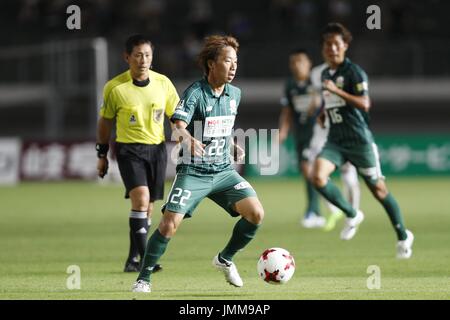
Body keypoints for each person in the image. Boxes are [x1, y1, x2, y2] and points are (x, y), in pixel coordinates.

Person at [132, 35, 264, 293]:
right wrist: (188, 139)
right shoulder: (195, 93)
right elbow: (177, 125)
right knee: (169, 224)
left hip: (224, 171)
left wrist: (231, 145)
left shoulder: (235, 94)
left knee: (256, 213)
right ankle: (143, 278)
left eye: (236, 61)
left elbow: (222, 128)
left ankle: (225, 259)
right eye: (228, 61)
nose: (234, 66)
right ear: (212, 64)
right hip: (194, 172)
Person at [311, 23, 414, 258]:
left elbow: (365, 103)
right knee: (317, 176)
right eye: (328, 45)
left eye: (337, 44)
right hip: (335, 140)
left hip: (359, 141)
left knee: (379, 190)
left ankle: (403, 235)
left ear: (345, 46)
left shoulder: (354, 72)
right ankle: (351, 213)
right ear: (323, 49)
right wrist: (323, 113)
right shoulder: (326, 74)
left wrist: (336, 92)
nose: (332, 48)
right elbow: (330, 101)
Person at [96, 34, 180, 273]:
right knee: (141, 200)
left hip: (157, 149)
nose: (143, 60)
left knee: (148, 208)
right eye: (138, 55)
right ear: (127, 57)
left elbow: (177, 117)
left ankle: (132, 258)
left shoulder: (163, 83)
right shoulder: (115, 87)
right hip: (128, 149)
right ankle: (147, 260)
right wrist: (101, 154)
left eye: (147, 55)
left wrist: (184, 137)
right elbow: (105, 123)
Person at [309, 61, 361, 232]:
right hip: (322, 132)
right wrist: (316, 109)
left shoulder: (351, 71)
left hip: (342, 131)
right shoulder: (317, 72)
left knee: (349, 176)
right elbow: (316, 99)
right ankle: (335, 209)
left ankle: (352, 217)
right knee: (315, 173)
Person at [278, 49, 326, 229]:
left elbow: (325, 103)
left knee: (308, 169)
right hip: (300, 133)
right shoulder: (290, 85)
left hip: (315, 133)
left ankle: (313, 211)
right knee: (308, 174)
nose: (297, 65)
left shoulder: (315, 83)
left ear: (309, 64)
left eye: (301, 61)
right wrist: (283, 131)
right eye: (294, 62)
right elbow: (287, 111)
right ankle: (320, 211)